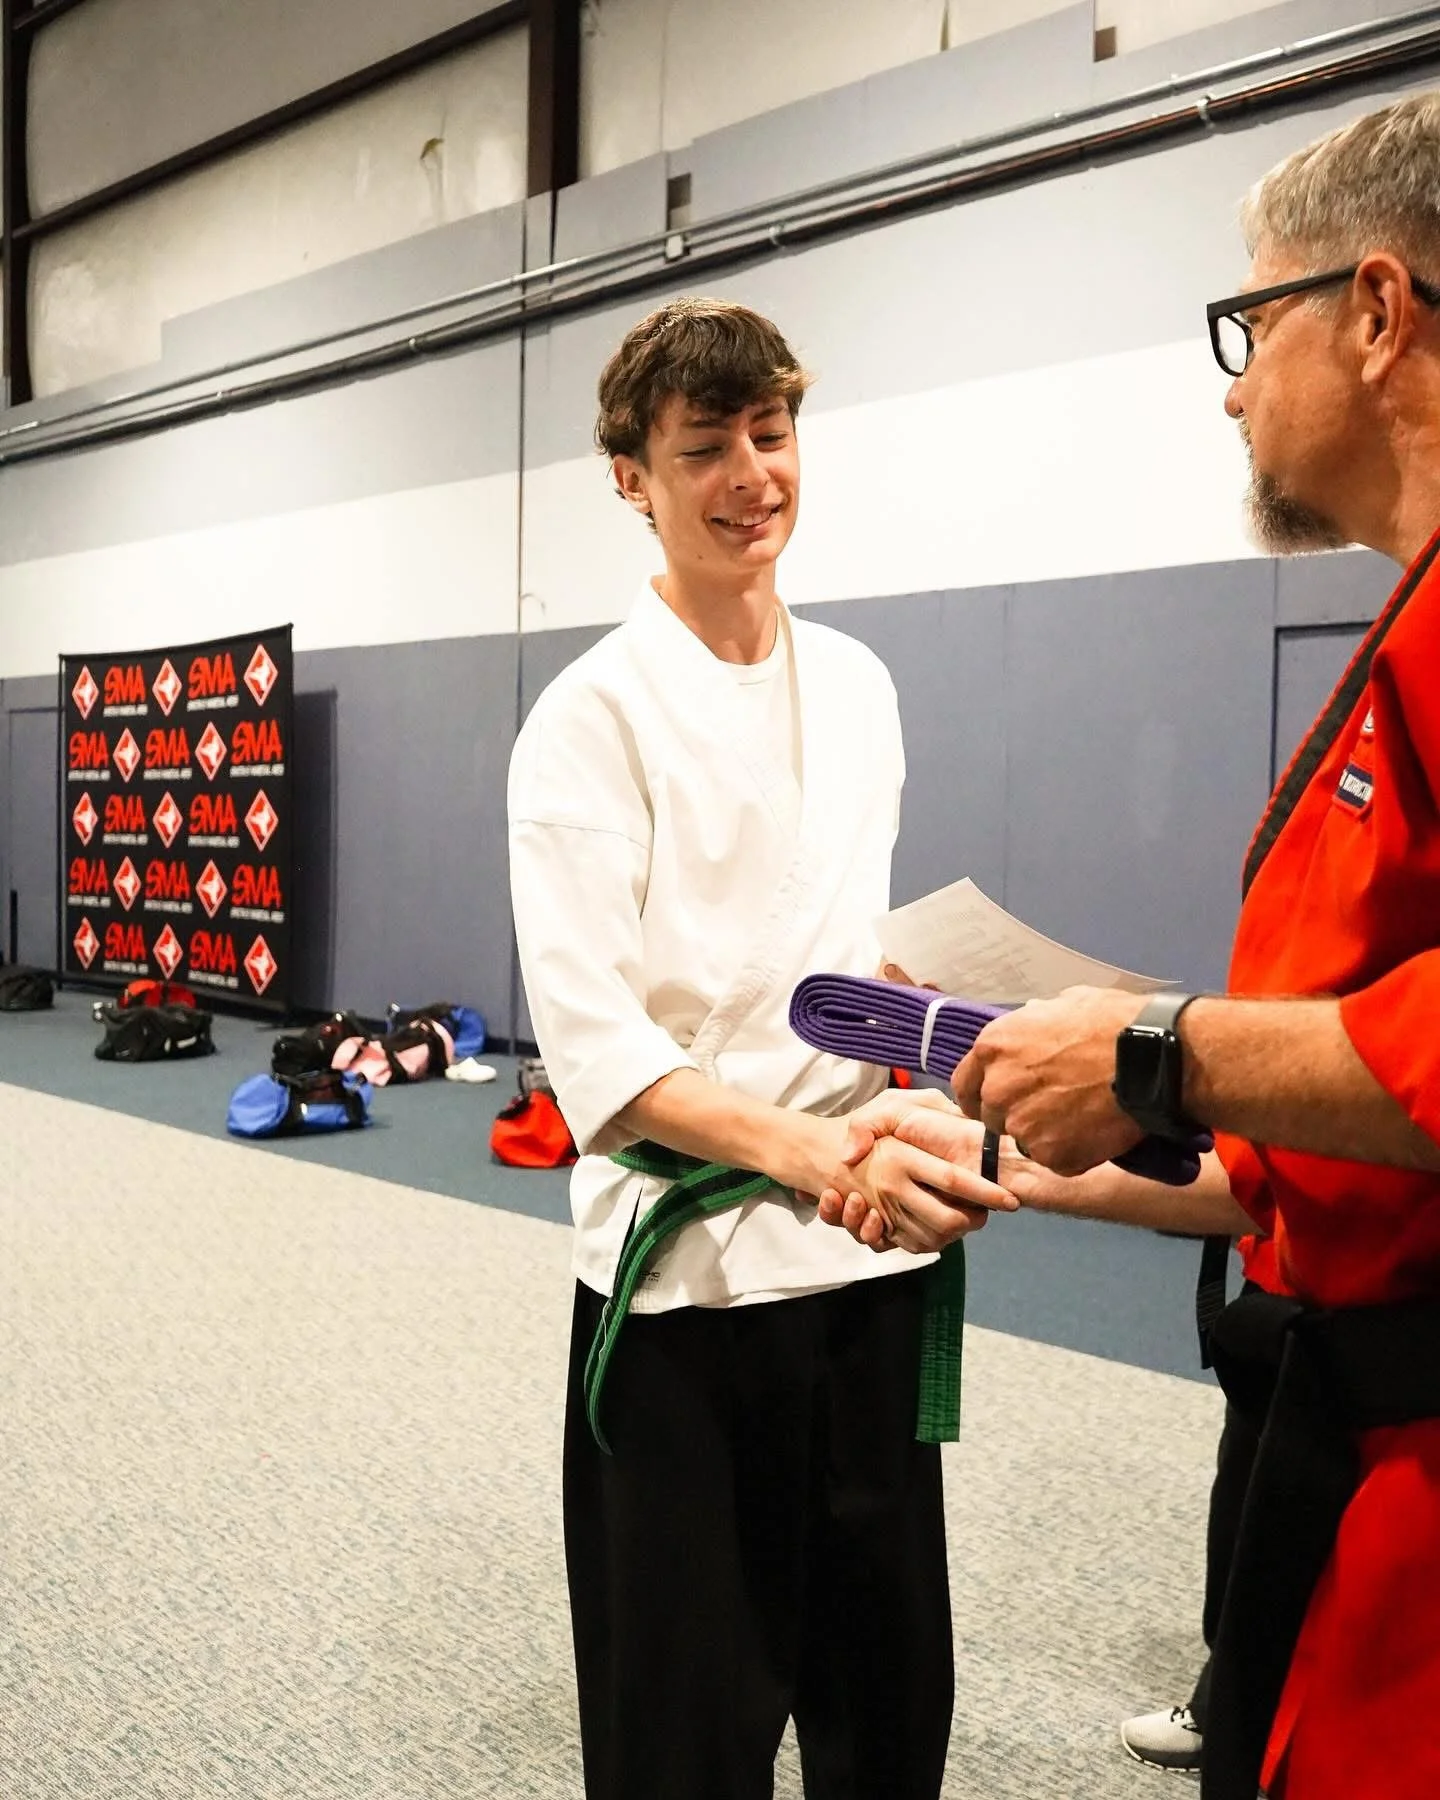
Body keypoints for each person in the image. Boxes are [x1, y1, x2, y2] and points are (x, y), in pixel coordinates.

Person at [818, 93, 1440, 1800]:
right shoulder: (1403, 634)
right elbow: (1325, 1135)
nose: (1235, 384)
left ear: (1377, 312)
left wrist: (1158, 1046)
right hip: (1334, 1447)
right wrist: (1021, 1137)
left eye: (1254, 320)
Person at [506, 297, 1013, 1800]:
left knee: (885, 1714)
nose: (751, 475)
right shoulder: (587, 720)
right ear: (631, 479)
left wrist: (944, 1031)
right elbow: (602, 1065)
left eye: (771, 434)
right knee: (685, 1739)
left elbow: (838, 967)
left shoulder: (859, 685)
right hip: (686, 1293)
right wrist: (811, 1152)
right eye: (704, 446)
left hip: (863, 1271)